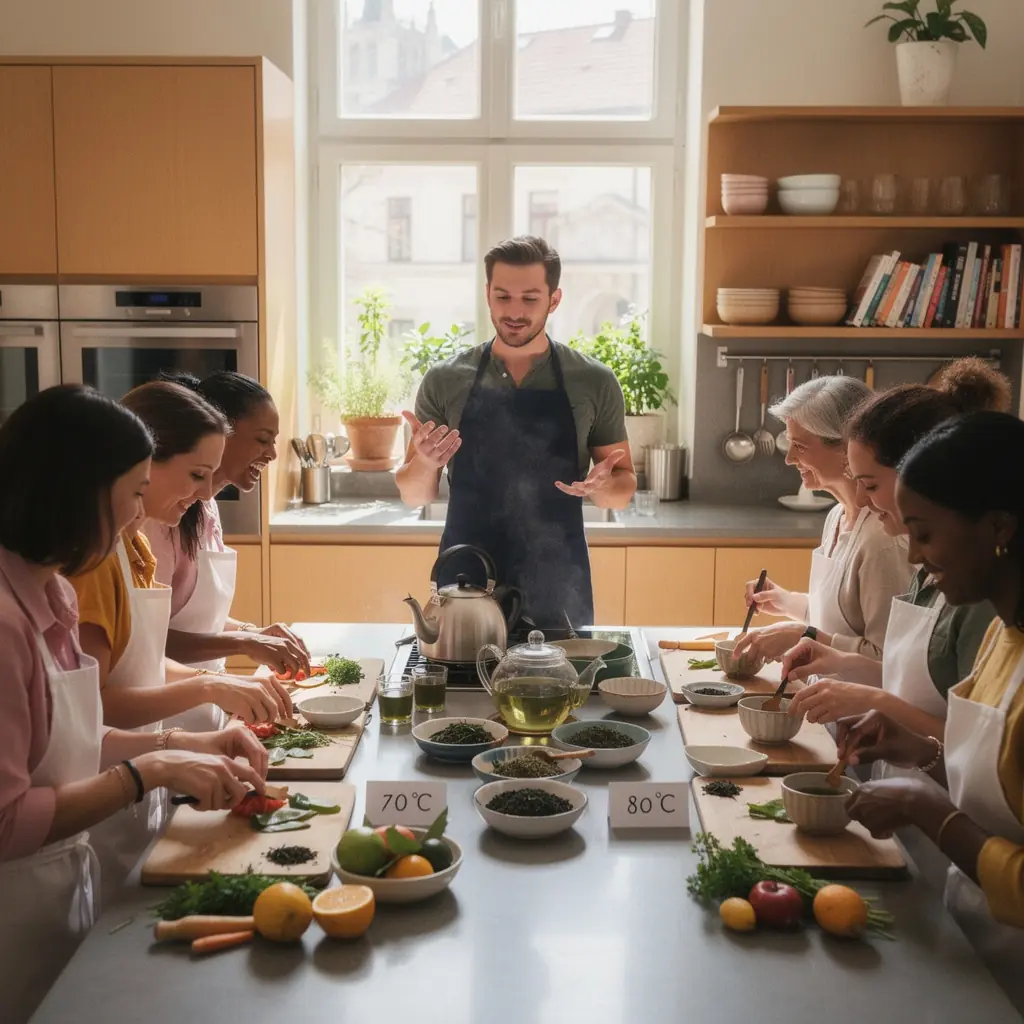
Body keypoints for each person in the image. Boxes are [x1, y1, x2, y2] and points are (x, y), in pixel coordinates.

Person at [0, 386, 268, 1024]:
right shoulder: (6, 623)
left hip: (61, 890)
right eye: (131, 495)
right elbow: (7, 820)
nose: (135, 518)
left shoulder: (51, 596)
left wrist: (178, 748)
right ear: (78, 491)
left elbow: (74, 736)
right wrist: (149, 770)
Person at [69, 381, 290, 900]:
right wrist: (209, 689)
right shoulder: (91, 566)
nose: (202, 493)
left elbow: (144, 661)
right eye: (196, 475)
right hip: (106, 804)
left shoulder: (137, 549)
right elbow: (98, 704)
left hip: (144, 787)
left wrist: (213, 683)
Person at [837, 411, 1024, 1014]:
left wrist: (929, 811)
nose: (914, 554)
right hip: (974, 952)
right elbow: (1002, 786)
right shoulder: (1003, 635)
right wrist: (921, 753)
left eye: (925, 532)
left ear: (997, 527)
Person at [395, 235, 637, 629]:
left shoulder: (593, 380)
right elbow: (414, 494)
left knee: (560, 690)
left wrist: (601, 486)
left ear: (554, 300)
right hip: (465, 583)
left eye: (530, 299)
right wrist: (423, 462)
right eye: (503, 296)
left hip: (559, 583)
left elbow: (623, 491)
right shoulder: (445, 380)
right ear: (487, 294)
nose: (514, 312)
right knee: (462, 688)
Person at [734, 375, 912, 662]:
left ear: (845, 448)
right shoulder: (837, 516)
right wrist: (786, 601)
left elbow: (886, 660)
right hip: (823, 698)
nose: (789, 459)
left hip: (857, 706)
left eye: (800, 446)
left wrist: (803, 636)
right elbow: (839, 620)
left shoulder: (883, 541)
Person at [147, 372, 309, 680]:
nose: (273, 454)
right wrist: (243, 643)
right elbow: (146, 642)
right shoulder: (160, 519)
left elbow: (198, 621)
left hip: (207, 701)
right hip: (169, 709)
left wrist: (255, 632)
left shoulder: (205, 507)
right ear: (221, 431)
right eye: (263, 439)